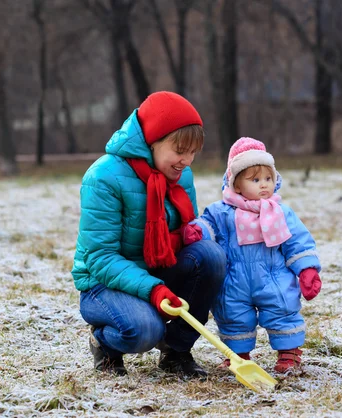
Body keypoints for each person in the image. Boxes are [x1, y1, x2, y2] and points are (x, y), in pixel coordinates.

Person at [71, 91, 226, 378]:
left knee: (211, 256)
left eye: (193, 152)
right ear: (152, 141)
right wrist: (153, 290)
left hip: (157, 269)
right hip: (104, 283)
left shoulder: (181, 175)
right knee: (144, 330)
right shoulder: (103, 177)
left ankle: (176, 353)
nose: (187, 161)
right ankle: (105, 344)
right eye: (180, 150)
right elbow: (100, 258)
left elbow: (186, 233)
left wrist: (191, 234)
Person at [185, 137, 322, 373]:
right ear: (236, 184)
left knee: (283, 310)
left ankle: (289, 354)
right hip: (235, 278)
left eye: (269, 178)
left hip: (273, 276)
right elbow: (209, 225)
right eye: (255, 180)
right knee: (233, 315)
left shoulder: (279, 212)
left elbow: (297, 242)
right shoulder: (222, 211)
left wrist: (307, 269)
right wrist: (198, 231)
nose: (264, 185)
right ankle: (238, 356)